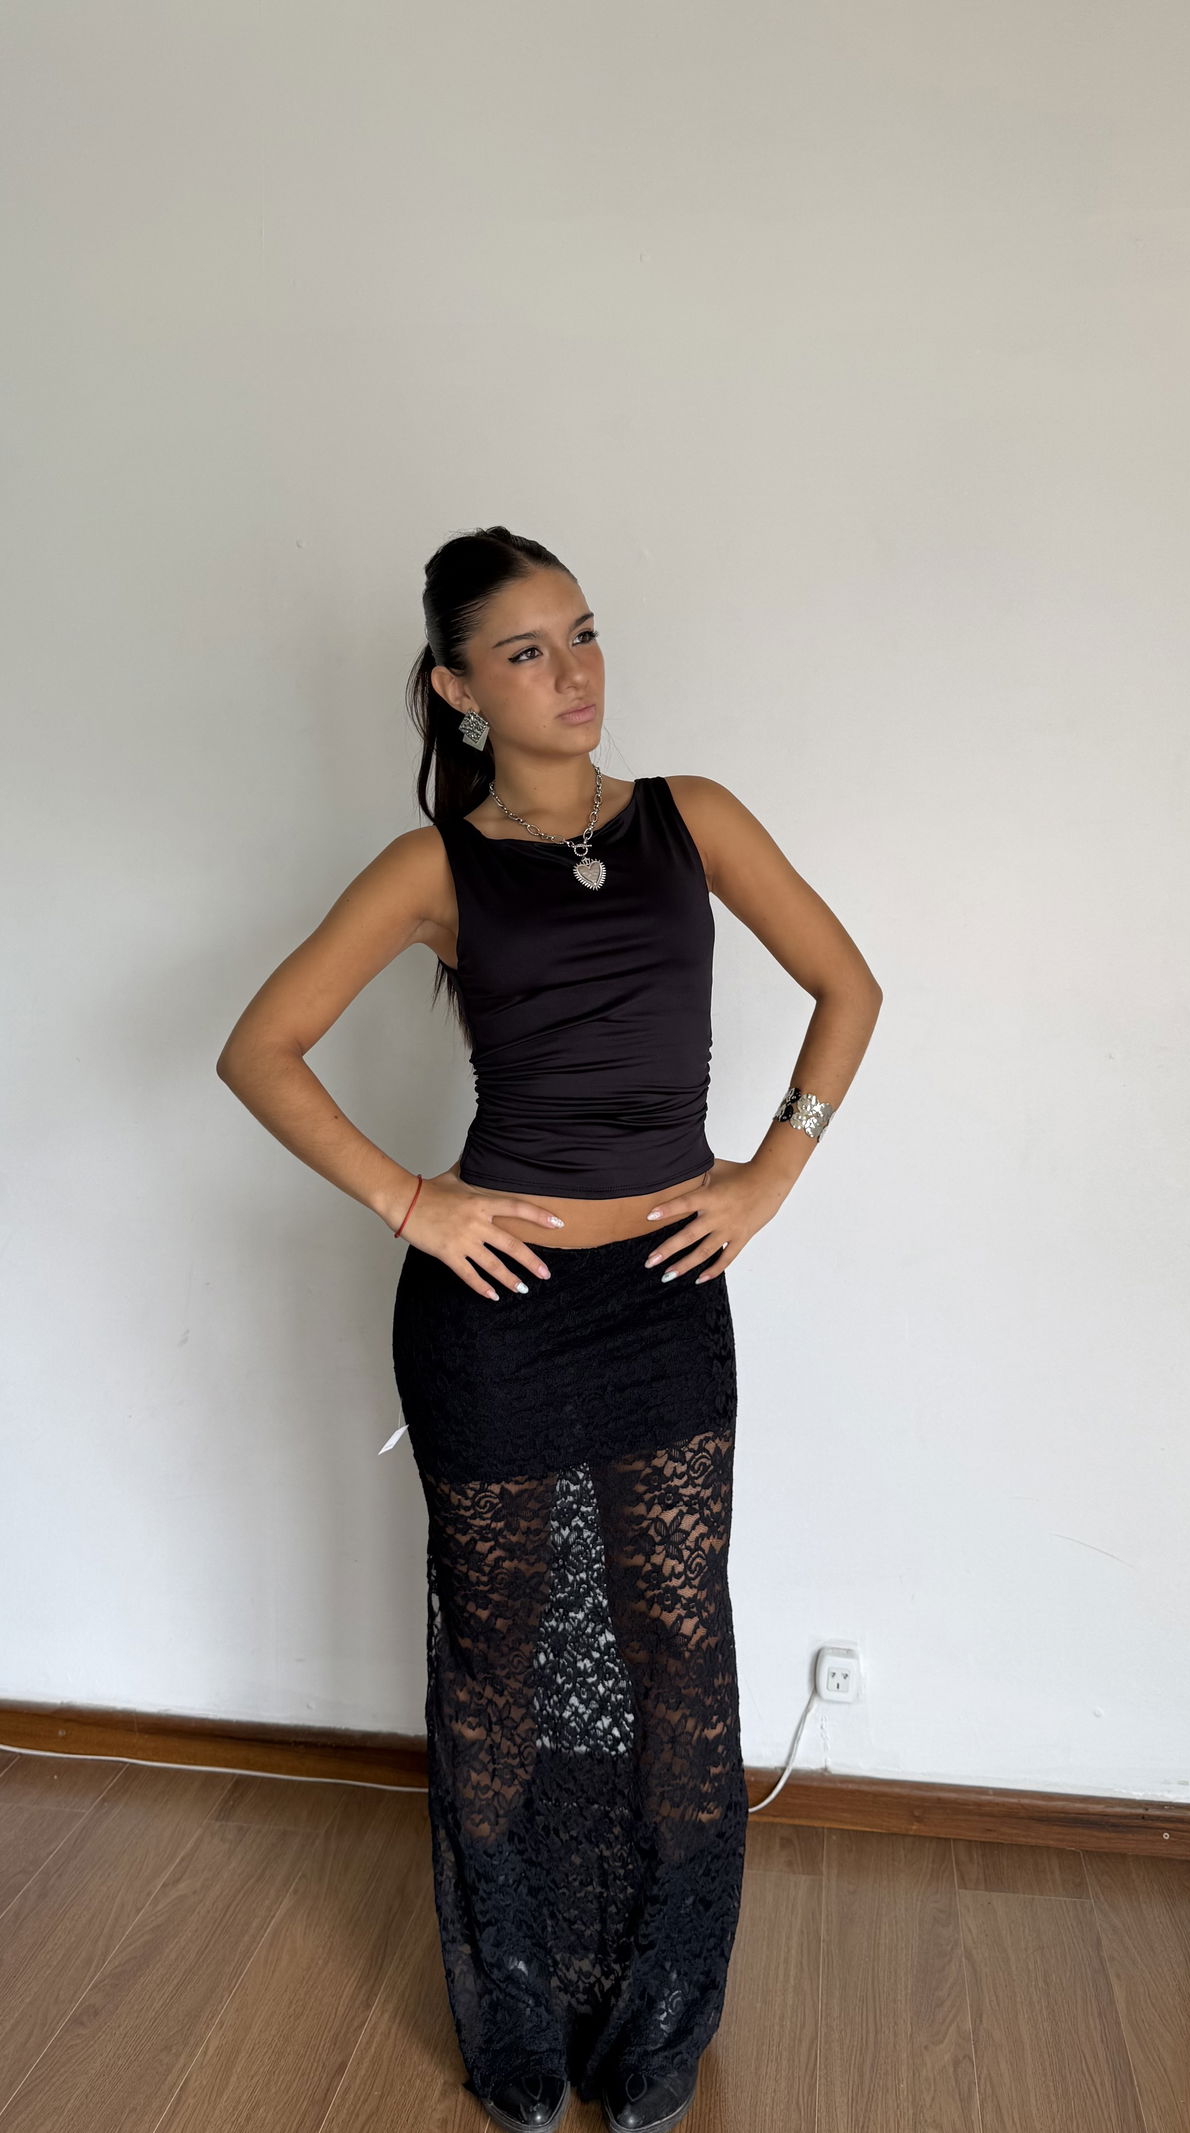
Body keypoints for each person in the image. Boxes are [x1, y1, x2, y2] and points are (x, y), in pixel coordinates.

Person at [216, 525, 883, 2133]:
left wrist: (770, 1173)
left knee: (677, 1647)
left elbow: (848, 986)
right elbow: (261, 1046)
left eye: (582, 632)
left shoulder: (691, 818)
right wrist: (412, 1201)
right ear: (458, 688)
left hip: (665, 1295)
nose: (574, 671)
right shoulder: (433, 868)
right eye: (526, 650)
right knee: (497, 1656)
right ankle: (512, 2002)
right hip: (495, 1312)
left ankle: (662, 2009)